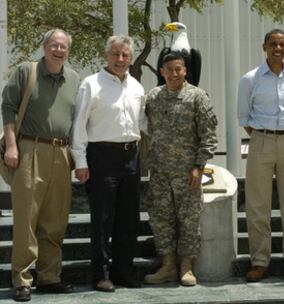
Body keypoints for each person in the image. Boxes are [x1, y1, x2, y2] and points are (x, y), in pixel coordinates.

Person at [1, 29, 79, 302]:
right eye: (54, 45)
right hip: (28, 150)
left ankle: (49, 277)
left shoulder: (75, 79)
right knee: (27, 219)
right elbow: (8, 107)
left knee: (55, 220)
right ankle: (22, 279)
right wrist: (11, 145)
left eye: (63, 46)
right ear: (44, 47)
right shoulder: (26, 71)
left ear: (69, 51)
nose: (58, 50)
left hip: (61, 152)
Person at [71, 35, 145, 292]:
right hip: (101, 156)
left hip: (131, 156)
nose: (120, 59)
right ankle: (101, 274)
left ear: (131, 58)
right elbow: (79, 124)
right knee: (102, 219)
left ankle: (123, 271)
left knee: (128, 218)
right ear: (106, 56)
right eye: (115, 54)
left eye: (125, 55)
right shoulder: (90, 84)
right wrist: (80, 161)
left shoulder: (136, 86)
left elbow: (142, 123)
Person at [237, 28, 284, 282]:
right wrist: (264, 135)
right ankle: (259, 261)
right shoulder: (250, 79)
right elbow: (244, 117)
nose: (278, 48)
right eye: (273, 44)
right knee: (258, 205)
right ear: (264, 46)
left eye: (282, 44)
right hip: (260, 142)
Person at [143, 51, 217, 287]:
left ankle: (186, 267)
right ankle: (167, 266)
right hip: (159, 173)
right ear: (162, 72)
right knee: (161, 219)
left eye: (179, 69)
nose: (174, 74)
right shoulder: (153, 97)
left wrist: (198, 167)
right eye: (169, 70)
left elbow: (209, 136)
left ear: (185, 70)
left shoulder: (197, 97)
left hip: (188, 174)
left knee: (188, 220)